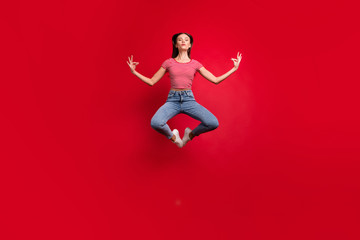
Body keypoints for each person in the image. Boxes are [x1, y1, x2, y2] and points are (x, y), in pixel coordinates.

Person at [127, 32, 242, 148]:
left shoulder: (195, 64)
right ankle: (174, 137)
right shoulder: (168, 62)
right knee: (156, 123)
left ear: (190, 45)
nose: (183, 41)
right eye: (180, 39)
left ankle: (190, 135)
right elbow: (152, 81)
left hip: (189, 100)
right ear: (176, 45)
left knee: (213, 123)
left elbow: (215, 80)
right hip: (172, 100)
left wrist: (234, 69)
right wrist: (134, 72)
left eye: (186, 39)